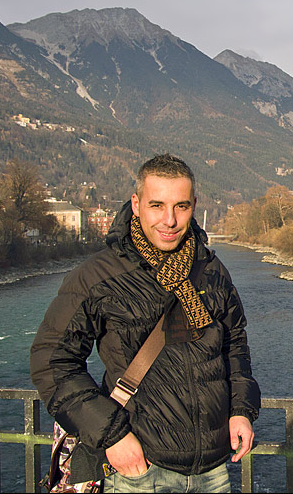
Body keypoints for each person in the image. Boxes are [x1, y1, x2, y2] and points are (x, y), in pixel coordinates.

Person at [31, 154, 261, 493]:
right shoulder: (99, 276)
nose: (169, 220)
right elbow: (52, 361)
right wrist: (111, 435)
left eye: (181, 206)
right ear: (136, 205)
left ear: (194, 205)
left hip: (212, 470)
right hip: (138, 471)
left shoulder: (211, 271)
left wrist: (241, 409)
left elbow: (234, 345)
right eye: (157, 205)